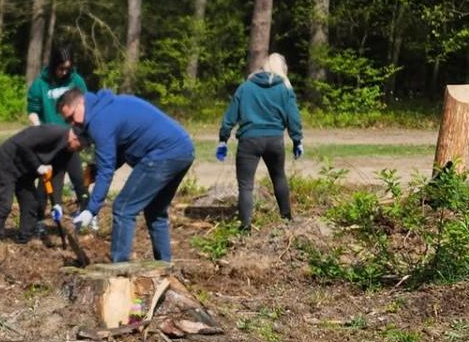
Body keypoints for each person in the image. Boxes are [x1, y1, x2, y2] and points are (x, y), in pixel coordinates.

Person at [57, 87, 195, 263]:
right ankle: (164, 267)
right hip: (183, 149)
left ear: (81, 103)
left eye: (71, 117)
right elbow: (120, 153)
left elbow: (107, 171)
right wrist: (94, 172)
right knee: (155, 211)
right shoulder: (107, 106)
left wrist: (91, 210)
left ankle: (119, 268)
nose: (73, 125)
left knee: (123, 208)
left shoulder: (100, 121)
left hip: (163, 154)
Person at [216, 53, 303, 231]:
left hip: (249, 141)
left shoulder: (245, 88)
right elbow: (293, 117)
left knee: (246, 185)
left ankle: (245, 227)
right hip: (274, 141)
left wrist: (223, 139)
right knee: (279, 177)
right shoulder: (285, 88)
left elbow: (230, 116)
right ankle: (286, 219)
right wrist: (297, 140)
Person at [0, 123, 87, 243]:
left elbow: (56, 176)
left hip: (25, 170)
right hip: (7, 161)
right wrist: (38, 166)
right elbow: (22, 143)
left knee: (31, 204)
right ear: (75, 138)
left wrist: (56, 204)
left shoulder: (67, 151)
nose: (79, 151)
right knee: (4, 204)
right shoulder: (52, 132)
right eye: (79, 148)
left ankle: (24, 240)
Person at [26, 46, 91, 204]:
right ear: (54, 65)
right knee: (47, 179)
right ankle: (40, 218)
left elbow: (85, 104)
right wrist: (38, 128)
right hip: (50, 139)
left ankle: (87, 211)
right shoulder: (40, 83)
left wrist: (80, 131)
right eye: (61, 68)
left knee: (78, 177)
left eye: (67, 69)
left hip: (71, 137)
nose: (64, 72)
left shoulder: (76, 81)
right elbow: (33, 110)